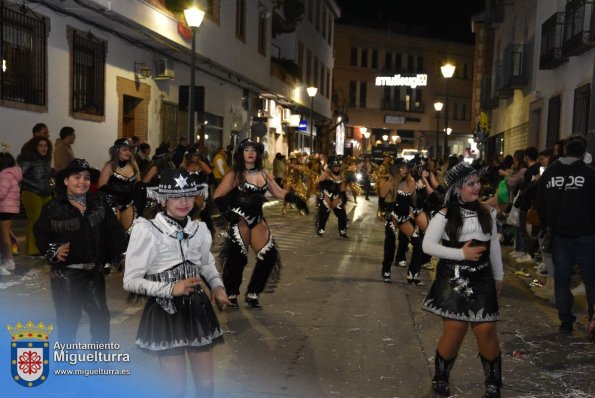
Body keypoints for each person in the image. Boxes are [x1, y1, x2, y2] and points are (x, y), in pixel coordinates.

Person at [124, 168, 230, 397]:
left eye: (189, 195)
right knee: (176, 387)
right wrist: (171, 289)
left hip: (197, 308)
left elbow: (206, 264)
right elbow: (131, 281)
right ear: (163, 199)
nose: (184, 202)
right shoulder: (148, 230)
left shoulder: (199, 229)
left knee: (206, 384)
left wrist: (217, 286)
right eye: (176, 196)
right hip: (165, 311)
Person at [421, 162, 503, 398]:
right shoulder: (444, 214)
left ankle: (493, 382)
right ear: (458, 188)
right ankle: (441, 377)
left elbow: (494, 244)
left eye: (478, 182)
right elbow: (428, 246)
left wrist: (499, 275)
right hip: (454, 277)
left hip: (483, 276)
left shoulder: (488, 212)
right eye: (471, 183)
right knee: (455, 329)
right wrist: (461, 254)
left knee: (486, 329)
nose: (477, 187)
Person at [34, 159, 127, 343]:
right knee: (69, 322)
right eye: (77, 177)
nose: (82, 181)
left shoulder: (99, 203)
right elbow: (40, 233)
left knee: (101, 318)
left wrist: (122, 256)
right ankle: (67, 365)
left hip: (94, 273)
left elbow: (114, 230)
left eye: (86, 178)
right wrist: (53, 250)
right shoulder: (53, 208)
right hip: (66, 275)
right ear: (66, 181)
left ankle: (99, 362)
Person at [213, 138, 308, 309]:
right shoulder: (235, 174)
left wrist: (295, 199)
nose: (250, 153)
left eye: (253, 150)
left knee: (269, 256)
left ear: (258, 153)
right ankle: (231, 294)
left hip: (257, 219)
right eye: (246, 150)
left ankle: (253, 294)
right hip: (239, 219)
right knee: (237, 259)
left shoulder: (264, 173)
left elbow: (277, 191)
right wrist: (229, 216)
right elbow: (217, 196)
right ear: (241, 153)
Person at [536, 135, 595, 340]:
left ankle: (565, 322)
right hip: (587, 236)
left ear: (564, 151)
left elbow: (540, 203)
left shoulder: (550, 173)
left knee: (562, 279)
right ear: (583, 152)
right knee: (591, 280)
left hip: (560, 236)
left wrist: (547, 226)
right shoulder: (589, 174)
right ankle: (593, 321)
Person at [18, 136, 53, 256]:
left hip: (45, 193)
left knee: (46, 220)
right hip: (31, 193)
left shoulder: (46, 160)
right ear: (35, 147)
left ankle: (43, 247)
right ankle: (33, 250)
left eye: (46, 146)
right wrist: (37, 185)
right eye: (40, 146)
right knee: (35, 220)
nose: (44, 148)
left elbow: (47, 177)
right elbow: (20, 176)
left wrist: (51, 185)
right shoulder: (28, 160)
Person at [98, 138, 140, 233]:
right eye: (124, 150)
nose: (128, 152)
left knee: (131, 232)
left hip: (128, 203)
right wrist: (116, 196)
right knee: (113, 233)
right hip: (111, 203)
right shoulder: (109, 166)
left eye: (130, 150)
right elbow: (101, 187)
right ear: (117, 151)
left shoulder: (134, 166)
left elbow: (138, 185)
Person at [181, 148, 215, 235]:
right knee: (189, 212)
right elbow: (179, 178)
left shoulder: (202, 165)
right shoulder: (183, 166)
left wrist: (207, 185)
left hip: (201, 192)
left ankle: (209, 232)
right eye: (194, 155)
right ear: (189, 156)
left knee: (204, 212)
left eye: (197, 155)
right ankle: (187, 231)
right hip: (189, 192)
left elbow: (211, 176)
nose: (195, 157)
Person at [0, 147, 22, 275]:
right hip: (8, 209)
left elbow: (1, 193)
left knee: (4, 236)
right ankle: (7, 260)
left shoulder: (4, 175)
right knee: (5, 235)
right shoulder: (12, 175)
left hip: (3, 209)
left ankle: (8, 260)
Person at [316, 156, 349, 238]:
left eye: (338, 166)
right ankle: (321, 229)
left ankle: (342, 231)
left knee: (342, 213)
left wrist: (344, 194)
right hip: (326, 194)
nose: (337, 168)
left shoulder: (341, 174)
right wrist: (323, 185)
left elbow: (342, 185)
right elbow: (318, 183)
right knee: (324, 212)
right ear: (331, 166)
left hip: (336, 196)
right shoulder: (327, 173)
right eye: (335, 166)